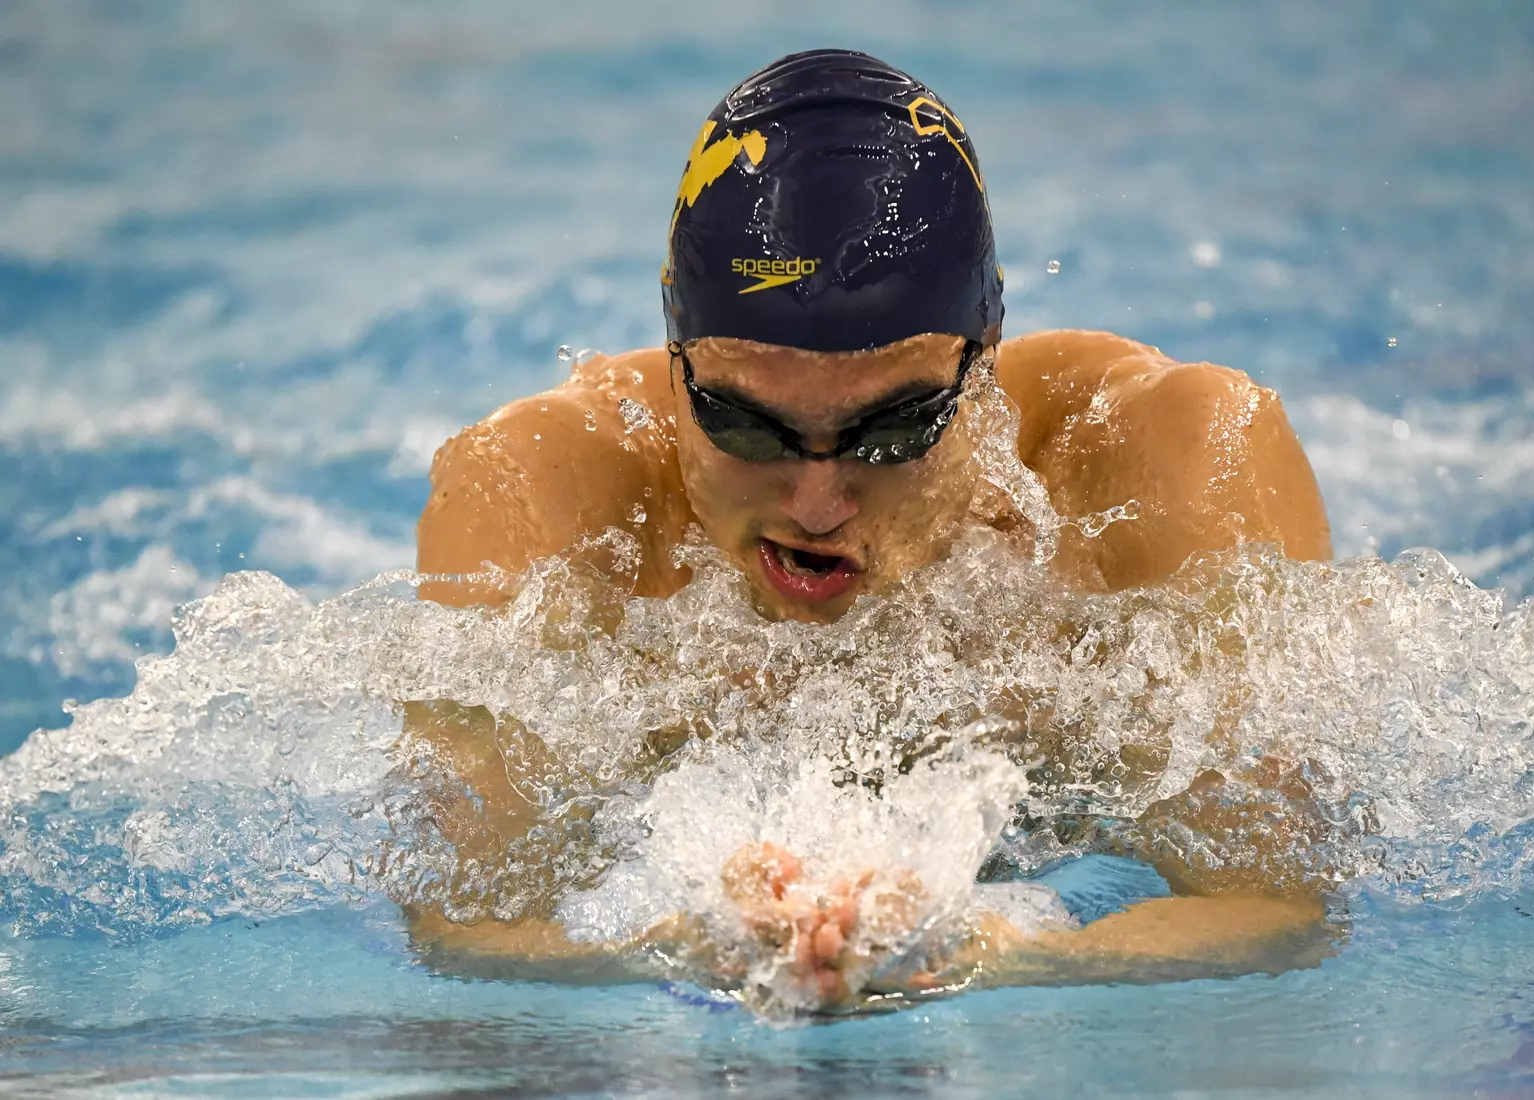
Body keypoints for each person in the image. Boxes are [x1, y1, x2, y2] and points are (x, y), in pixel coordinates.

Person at [405, 49, 1335, 1009]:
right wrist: (674, 944)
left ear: (985, 359)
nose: (815, 504)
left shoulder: (1169, 466)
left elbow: (1276, 906)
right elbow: (465, 927)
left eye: (891, 431)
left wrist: (995, 946)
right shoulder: (539, 495)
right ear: (677, 355)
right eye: (744, 424)